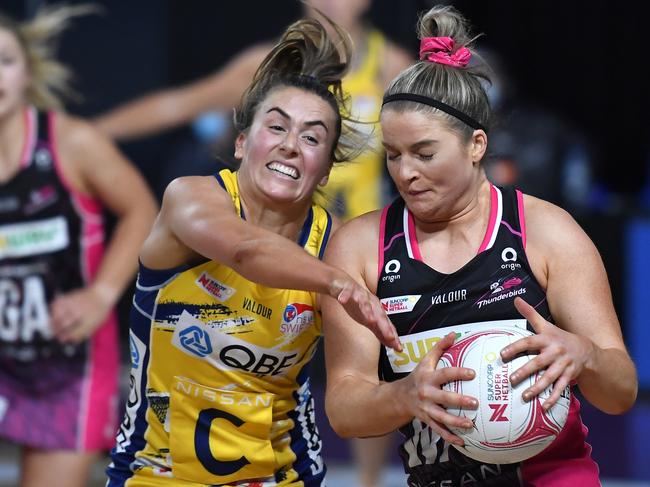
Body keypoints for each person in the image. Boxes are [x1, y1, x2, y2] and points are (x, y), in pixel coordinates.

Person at [322, 5, 638, 486]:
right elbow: (345, 407)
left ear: (476, 145)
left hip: (553, 476)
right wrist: (405, 396)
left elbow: (620, 392)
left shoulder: (546, 231)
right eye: (393, 155)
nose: (405, 172)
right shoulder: (362, 247)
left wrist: (586, 356)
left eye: (425, 153)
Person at [105, 13, 400, 487]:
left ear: (325, 171)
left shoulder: (337, 244)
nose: (289, 146)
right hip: (155, 475)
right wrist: (339, 281)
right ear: (241, 143)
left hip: (283, 475)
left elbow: (351, 404)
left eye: (311, 138)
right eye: (276, 128)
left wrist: (412, 393)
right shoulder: (191, 199)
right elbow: (244, 249)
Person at [0, 4, 158, 487]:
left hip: (66, 367)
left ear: (27, 71)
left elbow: (143, 211)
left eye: (4, 60)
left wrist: (101, 293)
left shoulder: (72, 143)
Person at [93, 0, 412, 222]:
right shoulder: (269, 64)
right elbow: (176, 106)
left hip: (361, 239)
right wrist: (81, 134)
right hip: (281, 236)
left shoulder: (390, 66)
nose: (329, 1)